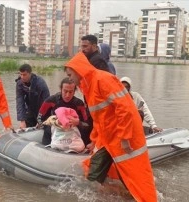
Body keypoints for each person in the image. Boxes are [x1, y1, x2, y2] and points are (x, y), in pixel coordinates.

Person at [64, 52, 157, 201]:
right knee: (95, 171)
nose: (70, 78)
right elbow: (100, 118)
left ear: (78, 70)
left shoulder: (103, 79)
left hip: (123, 134)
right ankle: (110, 194)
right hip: (109, 136)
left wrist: (125, 138)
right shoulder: (88, 87)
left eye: (70, 74)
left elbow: (125, 109)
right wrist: (94, 139)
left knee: (134, 175)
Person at [37, 77, 90, 145]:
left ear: (74, 91)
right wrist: (52, 124)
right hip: (55, 130)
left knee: (85, 133)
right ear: (61, 89)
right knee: (47, 129)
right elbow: (39, 118)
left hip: (72, 131)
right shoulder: (51, 100)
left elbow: (88, 125)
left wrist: (78, 123)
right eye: (65, 91)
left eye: (70, 92)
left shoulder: (79, 104)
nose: (67, 95)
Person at [16, 64, 50, 129]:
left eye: (24, 75)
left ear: (30, 73)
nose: (22, 77)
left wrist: (41, 119)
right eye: (21, 74)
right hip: (30, 109)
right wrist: (22, 120)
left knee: (43, 127)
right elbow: (20, 101)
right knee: (24, 125)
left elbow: (47, 101)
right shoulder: (19, 83)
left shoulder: (40, 83)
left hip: (41, 107)